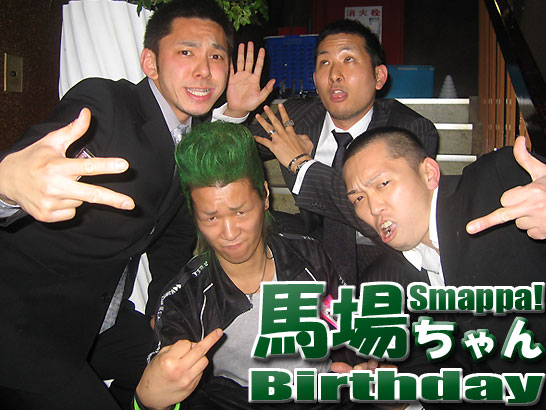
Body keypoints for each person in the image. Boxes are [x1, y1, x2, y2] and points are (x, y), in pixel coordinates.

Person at [0, 0, 274, 408]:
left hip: (100, 318)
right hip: (25, 324)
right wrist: (7, 187)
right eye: (186, 52)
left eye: (216, 56)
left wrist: (163, 309)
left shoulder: (189, 130)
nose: (204, 70)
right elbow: (32, 164)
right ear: (150, 63)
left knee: (190, 373)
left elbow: (174, 235)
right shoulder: (106, 104)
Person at [135, 121, 389, 410]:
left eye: (240, 212)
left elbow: (342, 322)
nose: (229, 232)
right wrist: (149, 400)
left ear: (265, 197)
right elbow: (163, 382)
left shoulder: (309, 256)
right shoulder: (185, 297)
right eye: (211, 218)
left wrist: (363, 361)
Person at [342, 127, 546, 390]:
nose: (373, 208)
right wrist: (398, 394)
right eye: (359, 198)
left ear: (429, 173)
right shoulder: (391, 282)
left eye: (383, 183)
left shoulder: (493, 181)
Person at [252, 19, 439, 287]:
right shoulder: (295, 119)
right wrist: (237, 111)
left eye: (348, 59)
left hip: (387, 254)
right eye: (324, 62)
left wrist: (302, 166)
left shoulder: (408, 130)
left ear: (379, 77)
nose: (334, 75)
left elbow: (384, 216)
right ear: (315, 80)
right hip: (316, 247)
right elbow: (238, 148)